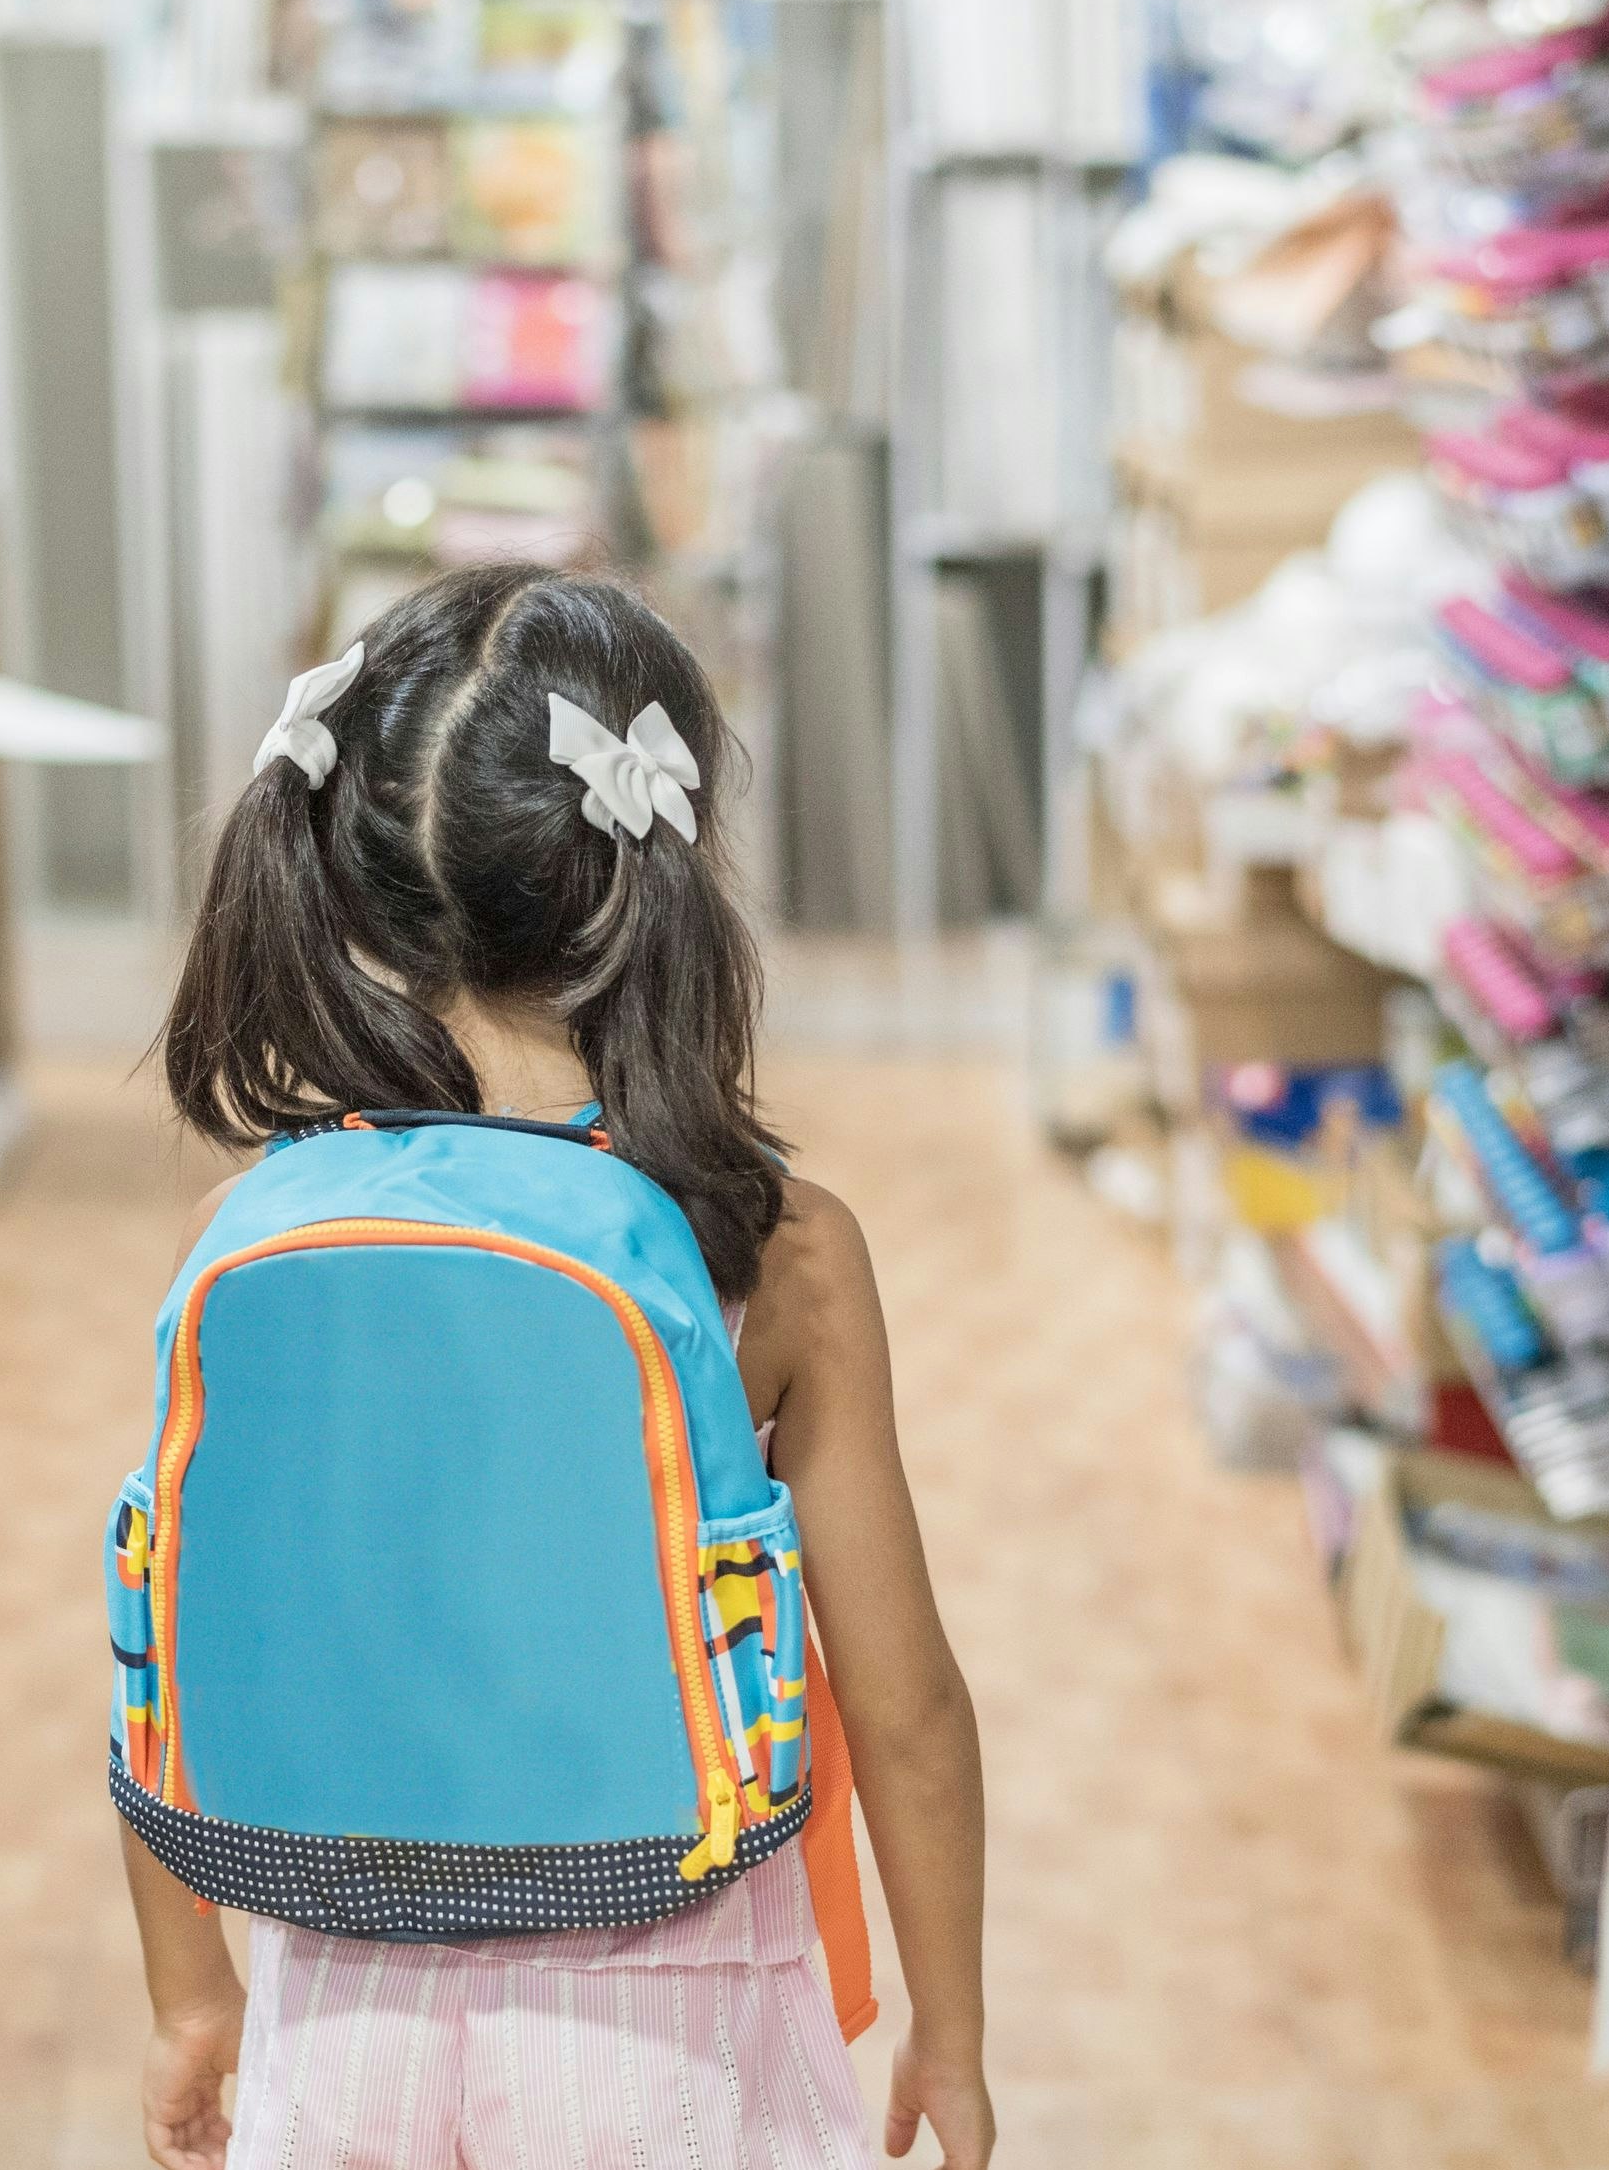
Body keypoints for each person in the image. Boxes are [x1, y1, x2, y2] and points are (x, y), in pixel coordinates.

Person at [119, 564, 993, 2169]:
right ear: (654, 877)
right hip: (665, 2009)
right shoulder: (774, 1250)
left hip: (341, 1985)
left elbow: (176, 1619)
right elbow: (908, 1702)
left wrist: (192, 1990)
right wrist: (953, 2017)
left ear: (352, 883)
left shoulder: (242, 1225)